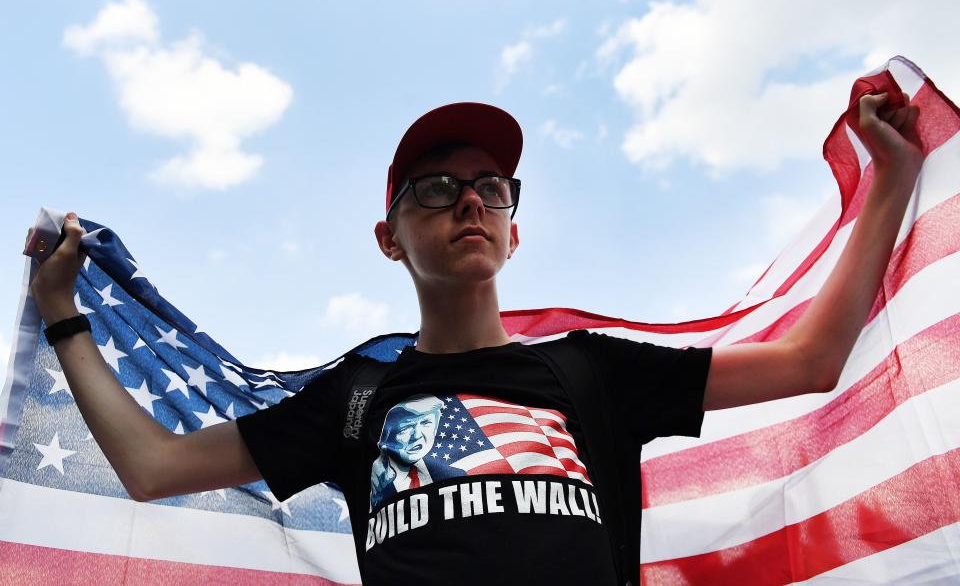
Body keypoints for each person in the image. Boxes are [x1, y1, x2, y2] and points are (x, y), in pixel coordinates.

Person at [27, 92, 922, 585]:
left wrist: (891, 176)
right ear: (388, 237)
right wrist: (65, 314)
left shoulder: (590, 367)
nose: (469, 200)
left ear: (512, 230)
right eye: (434, 187)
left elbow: (812, 359)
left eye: (492, 188)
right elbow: (151, 466)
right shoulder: (357, 400)